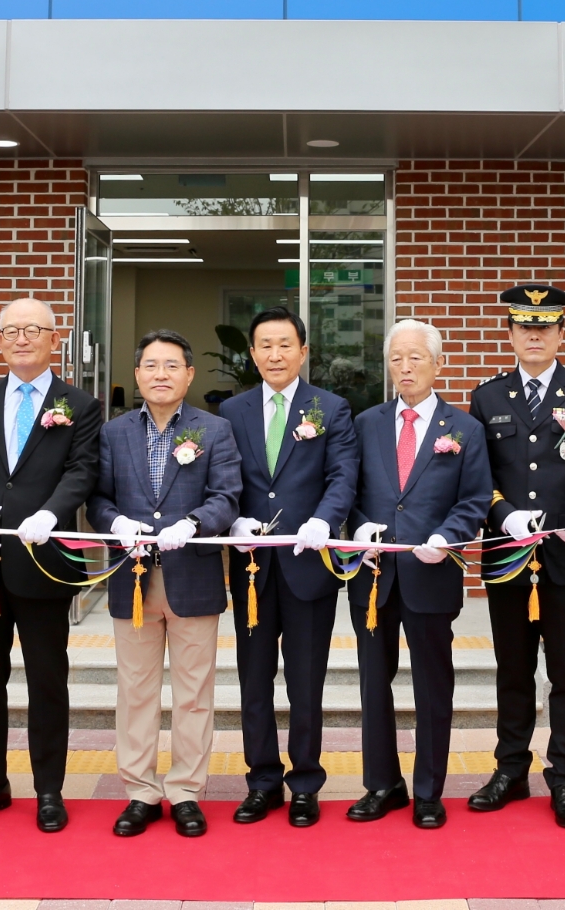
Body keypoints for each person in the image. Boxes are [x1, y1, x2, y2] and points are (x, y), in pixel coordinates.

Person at [467, 284, 565, 829]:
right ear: (510, 333)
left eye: (545, 327)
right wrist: (502, 512)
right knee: (512, 670)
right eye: (524, 327)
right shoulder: (487, 397)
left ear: (561, 333)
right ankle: (509, 770)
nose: (534, 335)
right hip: (509, 556)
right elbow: (476, 474)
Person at [0, 297, 101, 833]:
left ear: (54, 338)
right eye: (10, 330)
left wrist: (50, 514)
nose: (20, 338)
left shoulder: (79, 404)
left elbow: (82, 473)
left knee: (46, 678)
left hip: (45, 560)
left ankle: (49, 787)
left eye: (32, 330)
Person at [88, 330, 240, 839]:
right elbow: (99, 500)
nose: (160, 374)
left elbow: (227, 496)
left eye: (171, 366)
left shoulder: (213, 430)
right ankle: (139, 791)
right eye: (151, 365)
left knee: (194, 691)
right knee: (136, 691)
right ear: (137, 374)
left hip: (192, 574)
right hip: (132, 579)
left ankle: (186, 791)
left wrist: (193, 523)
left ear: (189, 375)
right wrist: (116, 525)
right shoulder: (113, 433)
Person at [345, 318, 489, 829]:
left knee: (433, 685)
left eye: (415, 357)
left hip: (432, 573)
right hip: (373, 578)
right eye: (396, 359)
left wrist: (447, 536)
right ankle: (382, 784)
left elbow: (474, 499)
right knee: (372, 684)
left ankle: (429, 789)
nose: (405, 367)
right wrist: (359, 529)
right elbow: (348, 492)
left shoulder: (465, 429)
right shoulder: (364, 424)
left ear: (437, 363)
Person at [220, 306, 360, 828]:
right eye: (264, 345)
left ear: (304, 351)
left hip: (308, 565)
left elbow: (343, 476)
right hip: (252, 568)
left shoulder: (332, 408)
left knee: (306, 681)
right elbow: (222, 479)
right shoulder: (228, 412)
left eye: (285, 345)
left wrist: (326, 522)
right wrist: (233, 522)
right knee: (253, 680)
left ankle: (305, 782)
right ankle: (261, 781)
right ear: (252, 353)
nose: (274, 354)